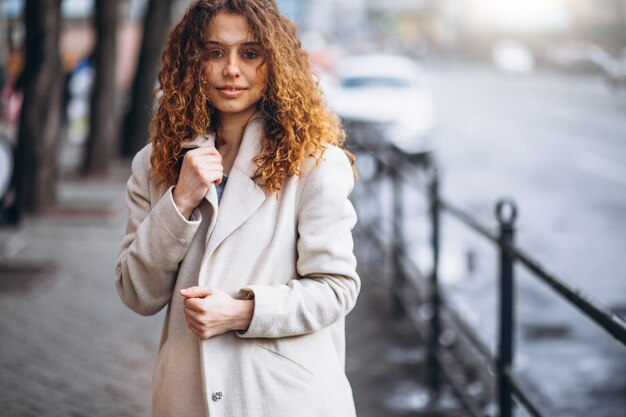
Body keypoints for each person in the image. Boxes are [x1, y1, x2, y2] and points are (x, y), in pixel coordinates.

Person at [114, 1, 360, 416]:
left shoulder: (315, 163)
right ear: (192, 62)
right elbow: (138, 293)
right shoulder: (155, 165)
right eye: (214, 52)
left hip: (284, 399)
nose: (231, 69)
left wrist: (244, 312)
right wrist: (180, 201)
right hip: (187, 397)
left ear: (274, 61)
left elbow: (337, 289)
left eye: (249, 53)